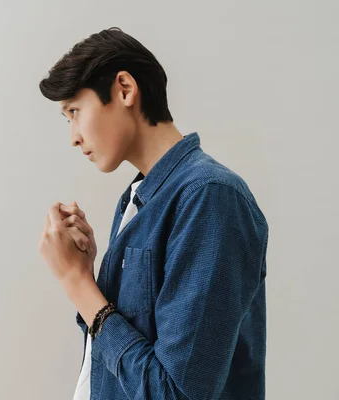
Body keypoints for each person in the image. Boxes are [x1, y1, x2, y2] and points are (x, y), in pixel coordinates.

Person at [38, 27, 269, 400]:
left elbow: (176, 393)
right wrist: (90, 277)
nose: (73, 137)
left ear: (125, 89)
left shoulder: (210, 197)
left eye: (75, 112)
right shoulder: (136, 199)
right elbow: (116, 364)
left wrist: (76, 283)